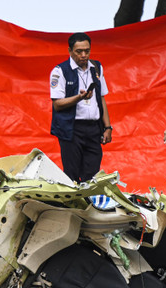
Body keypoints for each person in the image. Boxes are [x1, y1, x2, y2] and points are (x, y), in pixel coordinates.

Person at [50, 32, 113, 183]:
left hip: (93, 129)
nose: (84, 55)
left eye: (87, 51)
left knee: (92, 176)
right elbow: (57, 104)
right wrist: (79, 98)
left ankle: (89, 204)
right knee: (71, 175)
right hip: (72, 129)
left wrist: (108, 127)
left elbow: (102, 98)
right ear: (70, 51)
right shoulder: (60, 71)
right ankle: (73, 205)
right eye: (79, 51)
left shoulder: (96, 68)